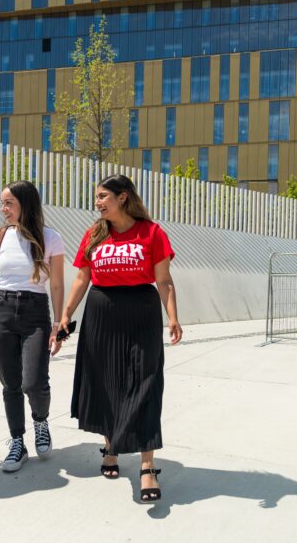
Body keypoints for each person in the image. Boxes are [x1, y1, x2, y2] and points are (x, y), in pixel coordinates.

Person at [59, 174, 182, 503]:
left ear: (123, 197)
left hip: (141, 312)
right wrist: (65, 314)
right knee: (107, 382)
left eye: (103, 196)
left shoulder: (152, 233)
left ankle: (147, 465)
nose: (97, 202)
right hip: (101, 313)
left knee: (146, 382)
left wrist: (173, 317)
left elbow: (164, 281)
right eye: (97, 197)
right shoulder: (94, 234)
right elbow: (82, 278)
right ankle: (111, 446)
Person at [0, 181, 65, 472]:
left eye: (8, 203)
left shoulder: (51, 238)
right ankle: (16, 442)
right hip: (1, 310)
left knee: (34, 382)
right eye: (2, 203)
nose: (3, 209)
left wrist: (59, 323)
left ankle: (40, 421)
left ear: (26, 203)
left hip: (35, 311)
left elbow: (58, 285)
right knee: (10, 382)